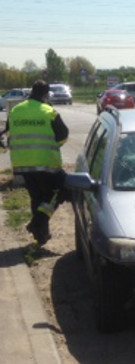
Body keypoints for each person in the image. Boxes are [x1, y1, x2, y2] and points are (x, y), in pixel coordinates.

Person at [8, 80, 69, 246]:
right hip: (46, 164)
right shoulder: (49, 112)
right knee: (60, 190)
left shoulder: (15, 110)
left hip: (22, 164)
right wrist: (54, 145)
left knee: (37, 198)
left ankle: (41, 235)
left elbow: (9, 131)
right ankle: (37, 223)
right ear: (45, 95)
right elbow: (63, 134)